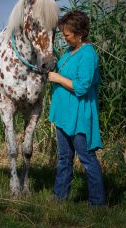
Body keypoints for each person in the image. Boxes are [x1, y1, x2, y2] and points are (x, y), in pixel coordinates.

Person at [48, 10, 106, 206]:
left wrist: (57, 78)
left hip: (79, 115)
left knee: (87, 158)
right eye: (63, 34)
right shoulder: (68, 52)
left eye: (67, 34)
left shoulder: (88, 55)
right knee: (64, 158)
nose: (65, 38)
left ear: (79, 33)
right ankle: (60, 197)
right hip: (64, 114)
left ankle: (98, 203)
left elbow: (81, 86)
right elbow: (62, 67)